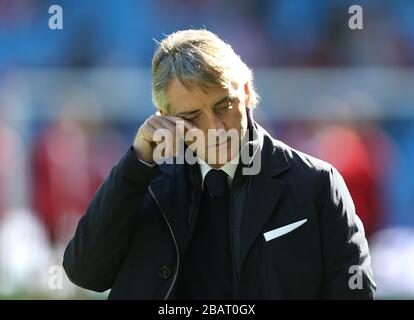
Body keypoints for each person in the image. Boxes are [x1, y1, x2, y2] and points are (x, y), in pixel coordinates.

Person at [63, 29, 376, 299]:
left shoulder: (317, 184)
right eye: (192, 117)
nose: (215, 127)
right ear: (166, 118)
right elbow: (85, 273)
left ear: (247, 92)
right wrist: (136, 165)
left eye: (223, 105)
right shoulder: (143, 181)